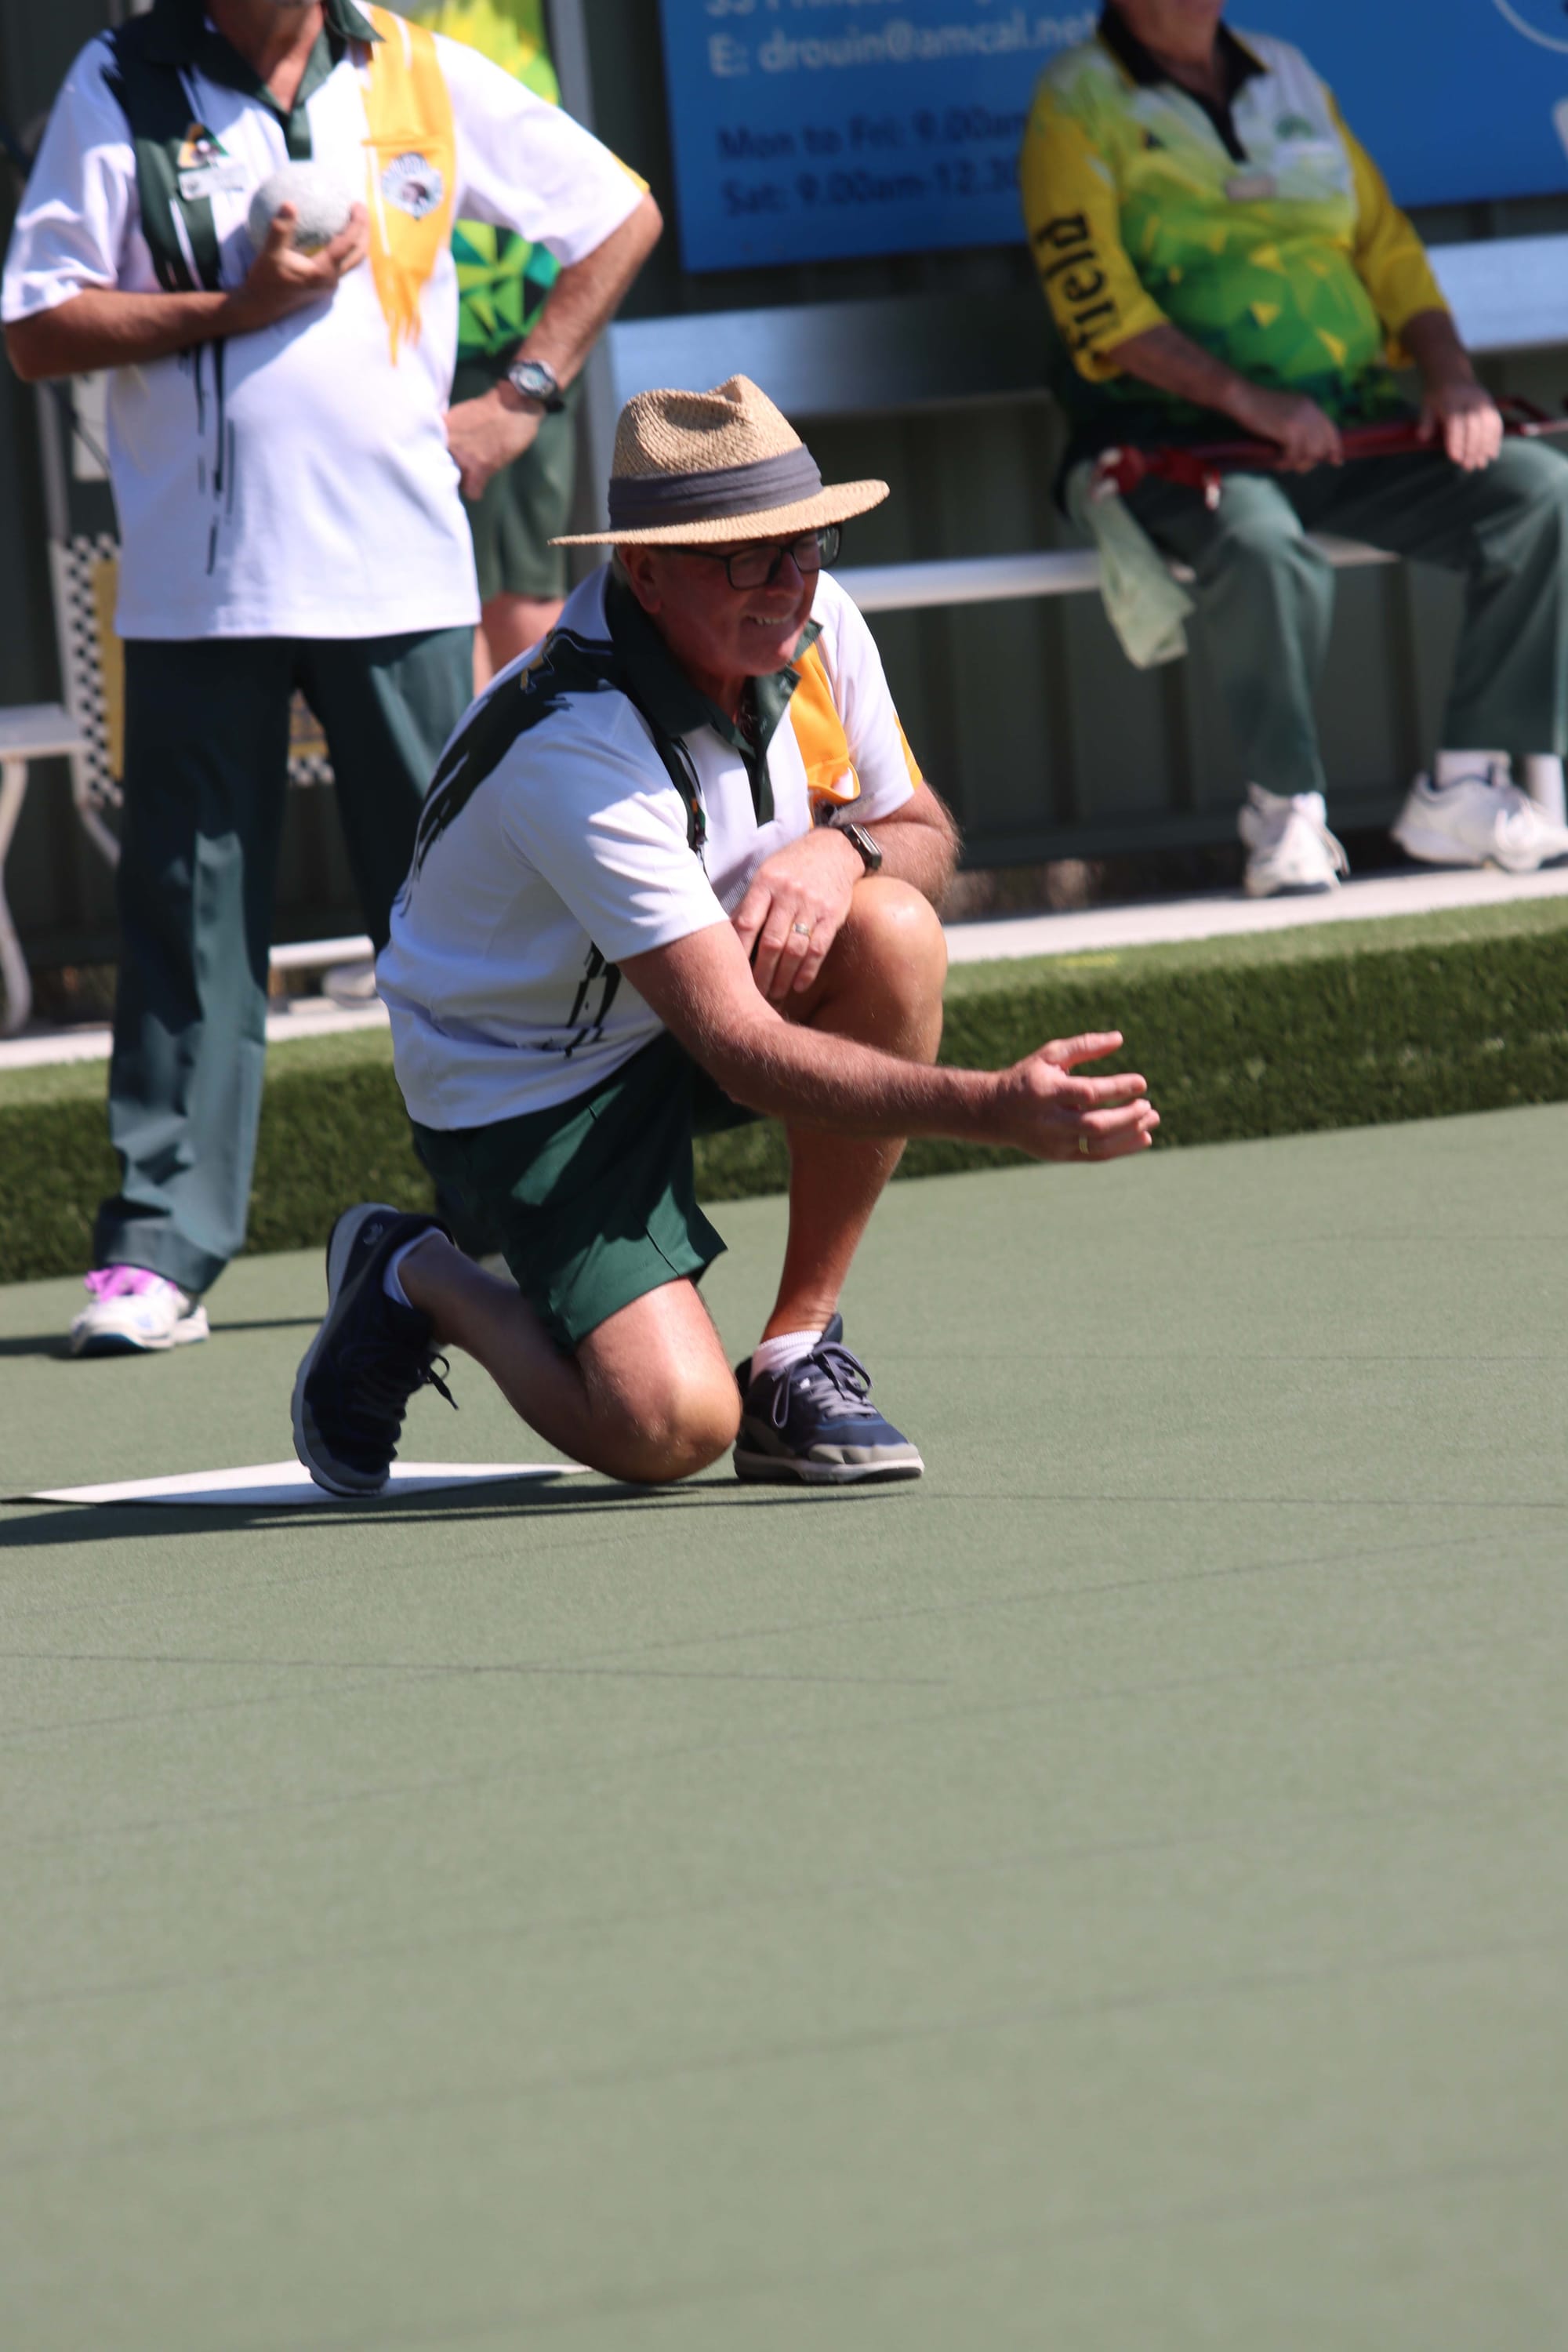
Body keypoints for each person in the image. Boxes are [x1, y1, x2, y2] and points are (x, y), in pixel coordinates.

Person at [289, 376, 1160, 1494]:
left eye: (805, 545)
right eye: (746, 556)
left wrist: (842, 853)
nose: (790, 583)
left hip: (687, 1001)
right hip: (522, 1082)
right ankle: (414, 1272)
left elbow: (924, 831)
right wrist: (993, 1107)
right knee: (670, 1430)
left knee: (891, 928)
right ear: (642, 571)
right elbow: (741, 1047)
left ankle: (796, 1352)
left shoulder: (813, 617)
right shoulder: (575, 745)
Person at [1, 0, 660, 1356]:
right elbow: (38, 323)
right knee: (187, 914)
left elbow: (620, 213)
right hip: (196, 587)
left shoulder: (412, 66)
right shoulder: (121, 76)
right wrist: (231, 311)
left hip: (404, 577)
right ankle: (159, 1251)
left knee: (462, 920)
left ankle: (504, 1224)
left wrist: (523, 392)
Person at [1020, 0, 1568, 896]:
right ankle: (1283, 813)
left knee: (1537, 490)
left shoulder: (1287, 72)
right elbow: (1096, 306)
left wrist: (1451, 377)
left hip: (1347, 420)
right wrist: (1246, 400)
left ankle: (1462, 784)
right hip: (1179, 438)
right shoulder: (1074, 96)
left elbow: (1386, 249)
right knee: (1264, 548)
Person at [390, 0, 577, 692]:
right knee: (448, 598)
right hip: (415, 327)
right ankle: (481, 796)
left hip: (534, 314)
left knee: (521, 594)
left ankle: (552, 791)